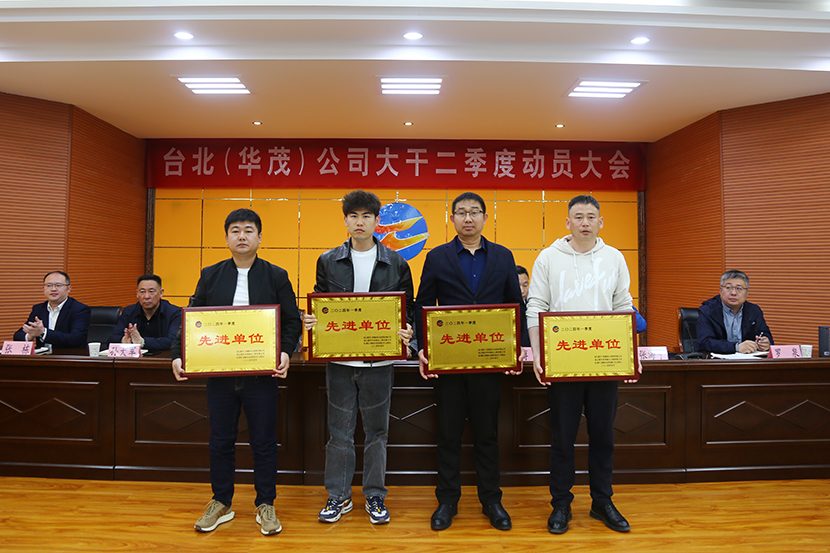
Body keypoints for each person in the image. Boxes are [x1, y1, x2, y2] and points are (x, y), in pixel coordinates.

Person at [170, 209, 302, 536]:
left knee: (264, 441)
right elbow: (192, 318)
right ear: (227, 237)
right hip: (220, 373)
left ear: (260, 237)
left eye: (248, 230)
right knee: (220, 440)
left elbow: (291, 321)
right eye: (235, 230)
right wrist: (177, 354)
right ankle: (221, 502)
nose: (242, 236)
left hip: (261, 375)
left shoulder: (276, 275)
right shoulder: (210, 275)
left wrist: (285, 351)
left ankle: (265, 503)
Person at [526, 194, 636, 535]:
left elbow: (624, 305)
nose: (585, 222)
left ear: (600, 222)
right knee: (563, 437)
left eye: (591, 216)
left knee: (603, 436)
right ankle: (561, 504)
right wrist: (539, 355)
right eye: (578, 216)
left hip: (603, 361)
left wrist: (629, 355)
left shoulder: (614, 257)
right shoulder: (548, 257)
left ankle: (602, 501)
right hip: (563, 362)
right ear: (568, 222)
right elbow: (536, 305)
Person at [415, 192, 526, 532]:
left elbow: (515, 304)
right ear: (452, 218)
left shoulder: (503, 256)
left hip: (490, 361)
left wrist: (518, 347)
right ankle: (447, 501)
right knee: (448, 434)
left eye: (474, 212)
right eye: (461, 212)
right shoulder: (437, 257)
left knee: (486, 434)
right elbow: (423, 304)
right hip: (448, 360)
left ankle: (491, 500)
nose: (468, 218)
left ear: (484, 217)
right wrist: (422, 348)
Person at [304, 190, 415, 526]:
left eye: (366, 216)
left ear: (377, 221)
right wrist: (312, 320)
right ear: (345, 220)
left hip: (380, 363)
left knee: (377, 433)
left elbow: (407, 309)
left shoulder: (397, 263)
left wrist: (407, 330)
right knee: (339, 433)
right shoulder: (328, 260)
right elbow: (320, 301)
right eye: (353, 216)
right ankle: (338, 495)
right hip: (340, 362)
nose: (360, 222)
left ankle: (375, 495)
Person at [696, 270, 773, 354]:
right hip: (716, 359)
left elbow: (765, 334)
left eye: (739, 288)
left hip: (748, 359)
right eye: (728, 288)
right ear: (721, 290)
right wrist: (736, 347)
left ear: (747, 293)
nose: (733, 293)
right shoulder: (707, 310)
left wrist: (765, 343)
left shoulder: (754, 311)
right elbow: (704, 342)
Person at [14, 271, 90, 349]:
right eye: (49, 285)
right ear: (43, 289)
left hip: (67, 355)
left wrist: (43, 333)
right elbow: (18, 335)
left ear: (68, 288)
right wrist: (30, 335)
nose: (53, 289)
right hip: (42, 355)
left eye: (58, 285)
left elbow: (76, 339)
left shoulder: (79, 309)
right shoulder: (39, 309)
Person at [108, 274, 181, 352]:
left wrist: (142, 342)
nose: (146, 296)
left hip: (163, 358)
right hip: (135, 358)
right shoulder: (128, 311)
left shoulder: (175, 313)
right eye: (142, 292)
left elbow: (173, 341)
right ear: (137, 293)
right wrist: (124, 340)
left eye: (151, 292)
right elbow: (111, 339)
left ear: (161, 293)